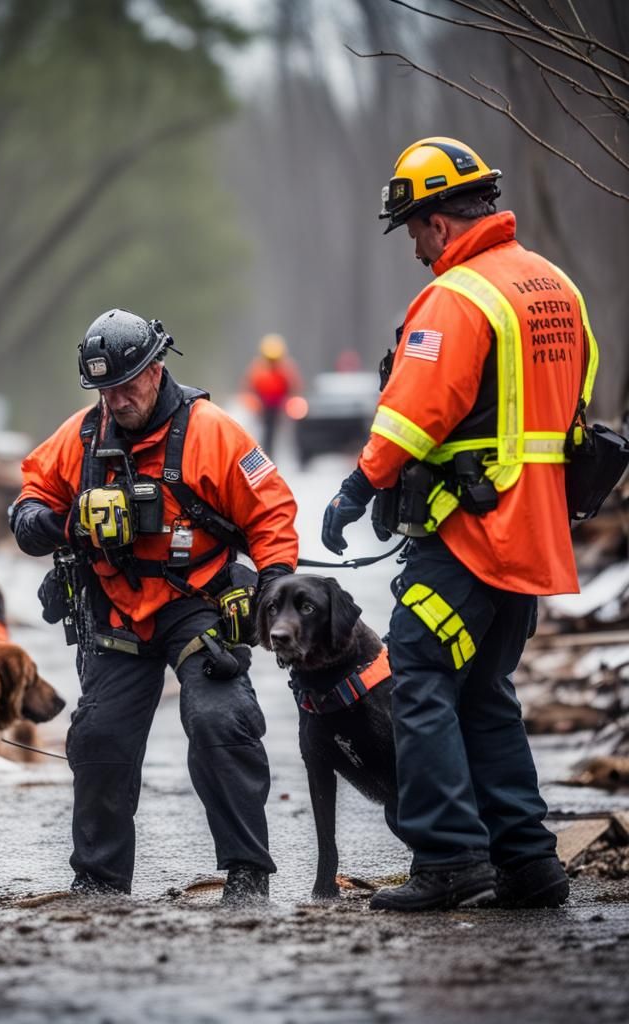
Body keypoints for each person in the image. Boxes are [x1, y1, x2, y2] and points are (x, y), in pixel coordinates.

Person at [321, 137, 598, 911]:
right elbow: (570, 412)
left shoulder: (458, 297)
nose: (413, 246)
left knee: (417, 675)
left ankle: (448, 859)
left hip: (472, 536)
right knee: (483, 694)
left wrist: (352, 492)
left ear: (441, 223)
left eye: (413, 228)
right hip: (536, 535)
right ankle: (529, 866)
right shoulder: (556, 288)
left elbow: (413, 417)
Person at [10, 309, 299, 904]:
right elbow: (31, 496)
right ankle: (98, 881)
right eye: (104, 389)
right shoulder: (82, 437)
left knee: (220, 719)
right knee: (98, 737)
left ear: (156, 368)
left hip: (196, 603)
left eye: (126, 384)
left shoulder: (211, 431)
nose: (116, 400)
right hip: (116, 609)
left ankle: (248, 873)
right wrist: (52, 522)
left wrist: (272, 586)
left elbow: (271, 511)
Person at [243, 333, 302, 458]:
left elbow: (294, 387)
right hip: (264, 406)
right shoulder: (258, 369)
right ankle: (266, 455)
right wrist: (255, 404)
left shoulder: (286, 369)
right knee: (267, 432)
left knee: (294, 431)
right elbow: (250, 388)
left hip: (281, 405)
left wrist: (291, 403)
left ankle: (298, 457)